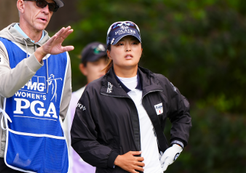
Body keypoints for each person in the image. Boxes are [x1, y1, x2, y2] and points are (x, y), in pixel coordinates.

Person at [71, 21, 192, 173]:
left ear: (141, 49)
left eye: (134, 43)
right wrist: (115, 159)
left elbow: (182, 114)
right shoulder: (95, 91)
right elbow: (80, 139)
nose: (128, 48)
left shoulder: (159, 83)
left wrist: (177, 144)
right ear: (109, 53)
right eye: (120, 44)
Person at [0, 0, 74, 173]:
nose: (46, 10)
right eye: (40, 3)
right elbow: (5, 86)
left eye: (52, 6)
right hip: (7, 158)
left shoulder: (61, 54)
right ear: (21, 5)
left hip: (46, 160)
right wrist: (40, 54)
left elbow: (60, 110)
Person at [63, 42, 107, 173]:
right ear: (83, 68)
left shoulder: (125, 101)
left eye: (106, 62)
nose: (102, 68)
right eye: (95, 63)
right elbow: (64, 145)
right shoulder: (70, 102)